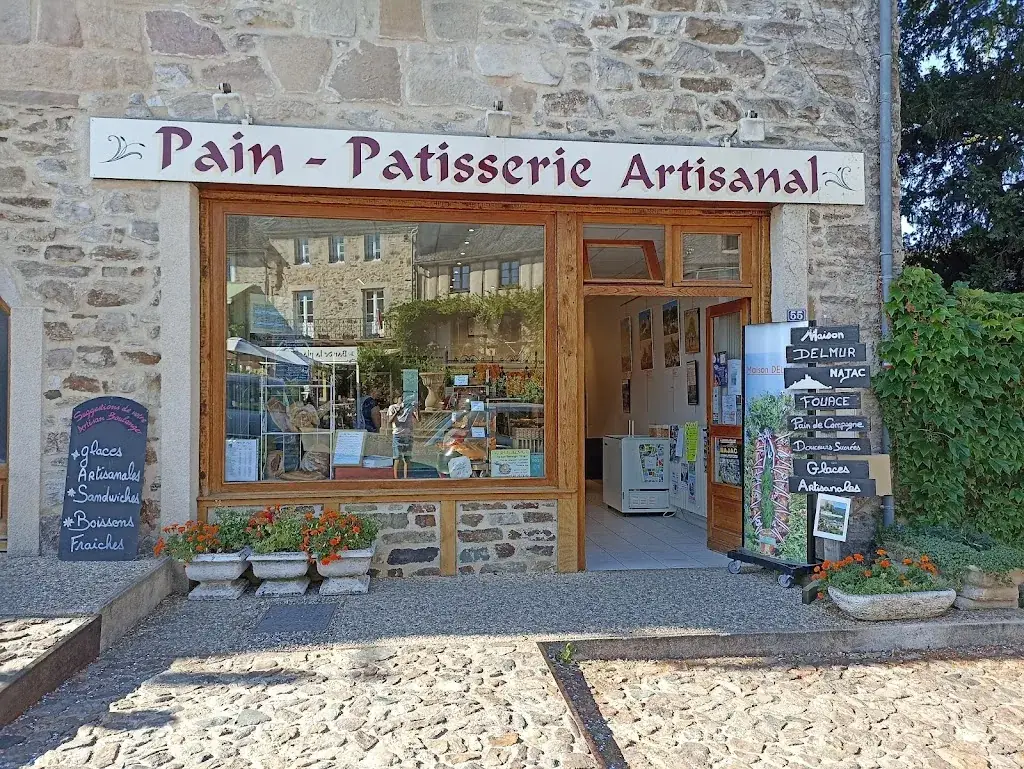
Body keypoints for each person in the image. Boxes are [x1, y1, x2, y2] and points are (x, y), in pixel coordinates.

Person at [389, 398, 419, 479]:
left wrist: (416, 409)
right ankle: (396, 478)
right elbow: (390, 421)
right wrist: (397, 412)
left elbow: (417, 420)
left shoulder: (409, 408)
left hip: (407, 435)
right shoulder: (393, 407)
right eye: (401, 398)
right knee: (397, 457)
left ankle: (406, 478)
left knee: (407, 458)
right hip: (398, 435)